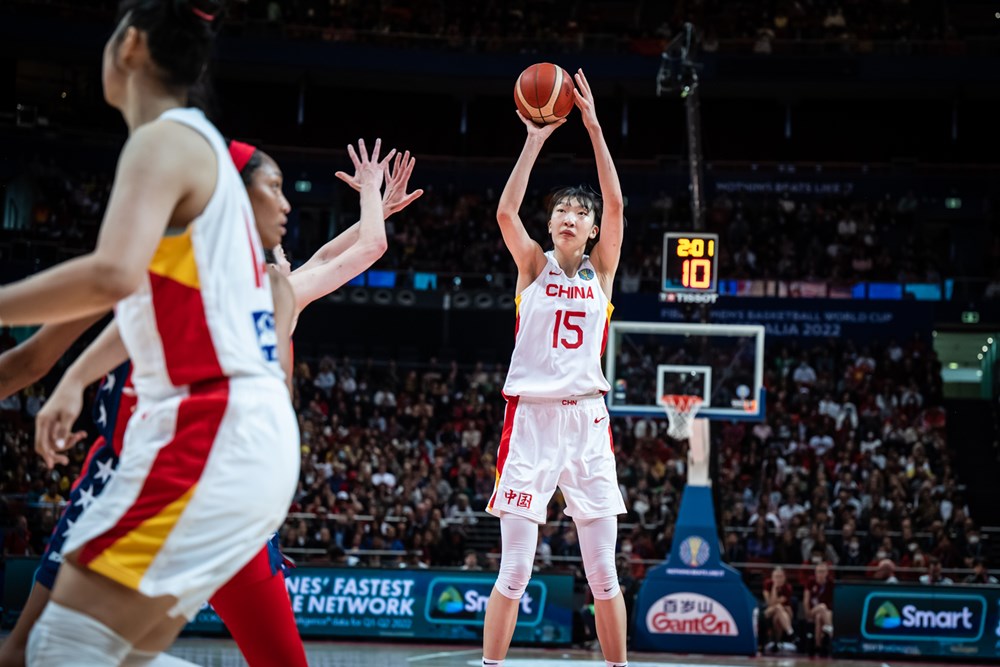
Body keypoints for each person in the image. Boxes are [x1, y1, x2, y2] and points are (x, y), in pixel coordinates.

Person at [0, 138, 419, 667]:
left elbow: (346, 251)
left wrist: (374, 206)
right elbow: (361, 249)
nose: (288, 213)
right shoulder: (244, 284)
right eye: (274, 191)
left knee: (63, 649)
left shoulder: (269, 288)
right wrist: (371, 202)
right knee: (59, 649)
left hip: (204, 486)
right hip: (169, 480)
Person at [0, 2, 302, 663]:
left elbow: (111, 274)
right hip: (231, 438)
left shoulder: (164, 141)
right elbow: (108, 317)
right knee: (89, 651)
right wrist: (73, 378)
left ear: (130, 45)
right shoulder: (198, 166)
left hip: (210, 430)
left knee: (59, 647)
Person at [482, 69, 627, 667]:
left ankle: (618, 666)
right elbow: (505, 211)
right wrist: (535, 140)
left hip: (588, 422)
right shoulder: (532, 267)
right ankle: (492, 666)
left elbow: (616, 201)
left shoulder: (604, 271)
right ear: (551, 225)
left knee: (603, 574)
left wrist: (592, 126)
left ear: (591, 230)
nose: (568, 215)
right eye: (561, 209)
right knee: (514, 569)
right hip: (531, 421)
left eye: (578, 212)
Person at [762, 566, 797, 652]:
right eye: (776, 577)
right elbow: (770, 603)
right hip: (769, 612)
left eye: (780, 576)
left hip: (784, 614)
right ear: (772, 577)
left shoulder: (788, 587)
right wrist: (774, 588)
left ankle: (776, 643)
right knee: (778, 607)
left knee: (778, 616)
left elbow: (778, 603)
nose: (778, 579)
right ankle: (790, 632)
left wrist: (778, 605)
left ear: (784, 578)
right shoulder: (767, 584)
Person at [803, 561, 833, 656]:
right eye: (819, 571)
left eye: (823, 571)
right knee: (822, 607)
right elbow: (806, 600)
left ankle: (818, 646)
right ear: (815, 573)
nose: (821, 574)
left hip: (826, 613)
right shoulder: (811, 582)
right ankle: (831, 633)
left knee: (820, 616)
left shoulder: (831, 583)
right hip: (812, 611)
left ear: (827, 573)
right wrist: (807, 613)